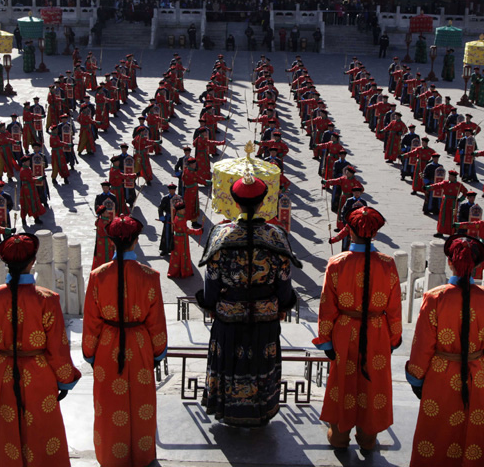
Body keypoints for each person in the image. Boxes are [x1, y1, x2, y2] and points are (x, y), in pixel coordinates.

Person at [196, 174, 301, 427]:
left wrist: (211, 304)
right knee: (261, 364)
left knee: (229, 364)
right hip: (265, 316)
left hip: (228, 316)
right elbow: (285, 279)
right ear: (263, 201)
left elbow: (211, 279)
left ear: (235, 201)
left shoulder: (220, 235)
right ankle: (261, 410)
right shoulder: (276, 236)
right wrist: (282, 306)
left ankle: (227, 410)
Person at [0, 233, 81, 467]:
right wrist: (65, 380)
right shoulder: (47, 299)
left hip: (2, 375)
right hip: (39, 375)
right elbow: (58, 348)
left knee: (6, 438)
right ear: (32, 262)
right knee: (43, 437)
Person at [406, 234, 484, 466]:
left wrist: (416, 378)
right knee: (471, 433)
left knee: (434, 432)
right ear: (478, 264)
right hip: (476, 375)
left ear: (451, 262)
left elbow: (422, 345)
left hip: (440, 374)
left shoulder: (434, 297)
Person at [314, 206, 402, 450]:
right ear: (374, 234)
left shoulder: (337, 263)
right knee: (372, 383)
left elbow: (327, 307)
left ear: (349, 231)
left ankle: (339, 435)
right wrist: (394, 339)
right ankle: (368, 437)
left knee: (342, 381)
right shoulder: (388, 264)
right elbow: (394, 308)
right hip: (376, 330)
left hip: (344, 329)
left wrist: (326, 340)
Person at [82, 216, 168, 467]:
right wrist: (158, 350)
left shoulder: (98, 276)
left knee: (109, 404)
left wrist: (90, 352)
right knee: (142, 401)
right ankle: (142, 455)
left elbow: (92, 320)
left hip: (108, 345)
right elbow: (156, 321)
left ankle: (111, 456)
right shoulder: (149, 275)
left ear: (111, 242)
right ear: (136, 241)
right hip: (139, 342)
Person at [168, 201, 203, 279]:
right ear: (179, 210)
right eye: (183, 209)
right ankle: (182, 272)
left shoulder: (179, 216)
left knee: (179, 255)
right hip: (180, 240)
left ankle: (180, 271)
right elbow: (187, 230)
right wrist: (198, 231)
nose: (184, 210)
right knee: (182, 255)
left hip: (180, 238)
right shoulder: (180, 219)